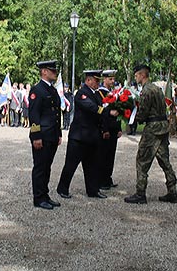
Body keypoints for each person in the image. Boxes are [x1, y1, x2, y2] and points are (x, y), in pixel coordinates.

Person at [56, 70, 118, 199]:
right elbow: (91, 108)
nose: (98, 83)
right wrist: (108, 112)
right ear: (88, 80)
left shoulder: (96, 94)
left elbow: (99, 111)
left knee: (92, 166)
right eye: (96, 80)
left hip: (92, 136)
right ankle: (63, 188)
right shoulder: (82, 93)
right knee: (71, 165)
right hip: (79, 137)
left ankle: (93, 190)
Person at [124, 64, 177, 205]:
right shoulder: (157, 89)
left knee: (142, 160)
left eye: (137, 75)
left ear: (143, 75)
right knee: (165, 161)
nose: (136, 78)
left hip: (152, 129)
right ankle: (172, 192)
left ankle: (140, 194)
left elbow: (143, 113)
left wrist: (132, 117)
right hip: (162, 127)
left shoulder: (147, 90)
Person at [28, 60, 63, 210]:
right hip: (42, 136)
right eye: (52, 70)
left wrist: (59, 133)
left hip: (52, 135)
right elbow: (34, 115)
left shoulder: (52, 90)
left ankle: (45, 194)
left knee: (47, 167)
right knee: (40, 167)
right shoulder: (37, 90)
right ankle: (38, 198)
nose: (54, 73)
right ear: (44, 72)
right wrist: (36, 137)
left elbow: (57, 114)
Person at [98, 70, 122, 190]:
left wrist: (119, 128)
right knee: (104, 155)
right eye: (110, 79)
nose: (113, 82)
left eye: (113, 79)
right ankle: (102, 180)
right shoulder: (101, 93)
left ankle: (108, 178)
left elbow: (117, 113)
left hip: (113, 129)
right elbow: (103, 115)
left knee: (111, 155)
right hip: (106, 129)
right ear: (105, 80)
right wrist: (104, 129)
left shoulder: (113, 94)